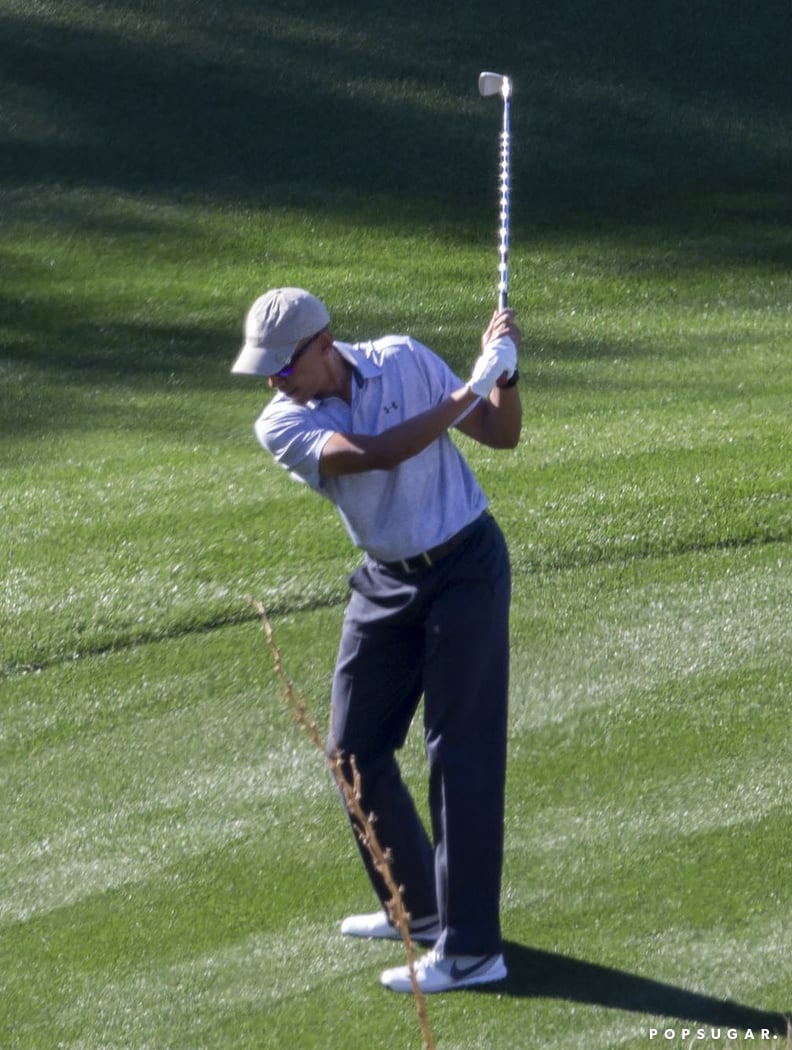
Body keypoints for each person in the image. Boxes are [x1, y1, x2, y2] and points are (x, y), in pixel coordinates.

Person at [231, 287, 522, 993]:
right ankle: (418, 907)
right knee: (352, 749)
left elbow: (501, 434)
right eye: (265, 369)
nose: (273, 381)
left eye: (284, 365)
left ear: (324, 344)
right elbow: (379, 453)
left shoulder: (405, 361)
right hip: (386, 580)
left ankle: (472, 949)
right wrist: (475, 381)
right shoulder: (281, 423)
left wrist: (507, 379)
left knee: (459, 751)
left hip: (466, 566)